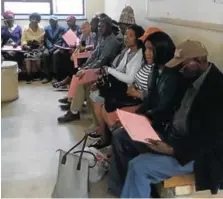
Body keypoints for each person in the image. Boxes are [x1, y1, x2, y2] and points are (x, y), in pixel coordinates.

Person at [109, 40, 223, 198]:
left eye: (182, 65)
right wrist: (142, 118)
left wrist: (172, 150)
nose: (179, 70)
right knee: (121, 136)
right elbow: (168, 109)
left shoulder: (217, 89)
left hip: (194, 153)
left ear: (199, 61)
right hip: (171, 136)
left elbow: (212, 140)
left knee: (139, 166)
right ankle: (124, 190)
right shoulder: (189, 78)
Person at [90, 30, 187, 150]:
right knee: (109, 107)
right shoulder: (155, 69)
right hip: (147, 107)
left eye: (151, 49)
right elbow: (151, 98)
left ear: (162, 49)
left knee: (119, 128)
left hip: (160, 121)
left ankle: (118, 147)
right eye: (146, 49)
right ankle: (112, 143)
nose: (147, 53)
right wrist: (137, 115)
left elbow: (163, 108)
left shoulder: (171, 76)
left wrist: (142, 117)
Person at [57, 16, 122, 123]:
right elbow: (95, 53)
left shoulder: (111, 41)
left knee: (81, 76)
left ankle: (73, 111)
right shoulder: (103, 37)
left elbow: (102, 60)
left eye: (102, 26)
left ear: (109, 27)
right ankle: (74, 109)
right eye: (99, 26)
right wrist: (86, 65)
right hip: (96, 67)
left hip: (103, 70)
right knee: (80, 76)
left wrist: (87, 68)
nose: (100, 28)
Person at [88, 25, 146, 142]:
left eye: (130, 36)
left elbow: (129, 79)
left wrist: (109, 70)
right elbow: (119, 69)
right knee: (95, 93)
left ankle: (105, 137)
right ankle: (103, 131)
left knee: (99, 100)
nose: (126, 38)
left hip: (129, 90)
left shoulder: (139, 55)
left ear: (138, 38)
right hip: (120, 85)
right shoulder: (128, 51)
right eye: (125, 34)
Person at [52, 16, 81, 88]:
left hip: (75, 48)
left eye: (69, 21)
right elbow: (63, 40)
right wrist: (63, 47)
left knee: (68, 58)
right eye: (67, 21)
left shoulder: (79, 29)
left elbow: (80, 41)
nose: (68, 23)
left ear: (74, 21)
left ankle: (65, 80)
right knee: (57, 54)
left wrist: (74, 48)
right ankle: (59, 78)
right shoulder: (66, 29)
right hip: (67, 48)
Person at [21, 12, 45, 84]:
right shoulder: (25, 28)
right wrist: (26, 46)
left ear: (38, 20)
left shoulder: (41, 28)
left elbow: (42, 40)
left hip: (37, 46)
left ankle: (38, 73)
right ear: (30, 19)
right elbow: (23, 39)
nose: (34, 20)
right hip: (28, 46)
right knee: (28, 57)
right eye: (33, 19)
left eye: (36, 19)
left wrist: (40, 45)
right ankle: (29, 75)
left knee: (38, 57)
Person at [42, 16, 65, 84]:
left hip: (58, 47)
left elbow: (61, 39)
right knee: (45, 54)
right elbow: (46, 39)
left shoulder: (61, 29)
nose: (52, 22)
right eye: (51, 21)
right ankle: (47, 76)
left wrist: (54, 48)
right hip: (48, 47)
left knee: (55, 54)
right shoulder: (46, 28)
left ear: (57, 21)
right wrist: (50, 47)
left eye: (54, 21)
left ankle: (55, 76)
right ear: (49, 21)